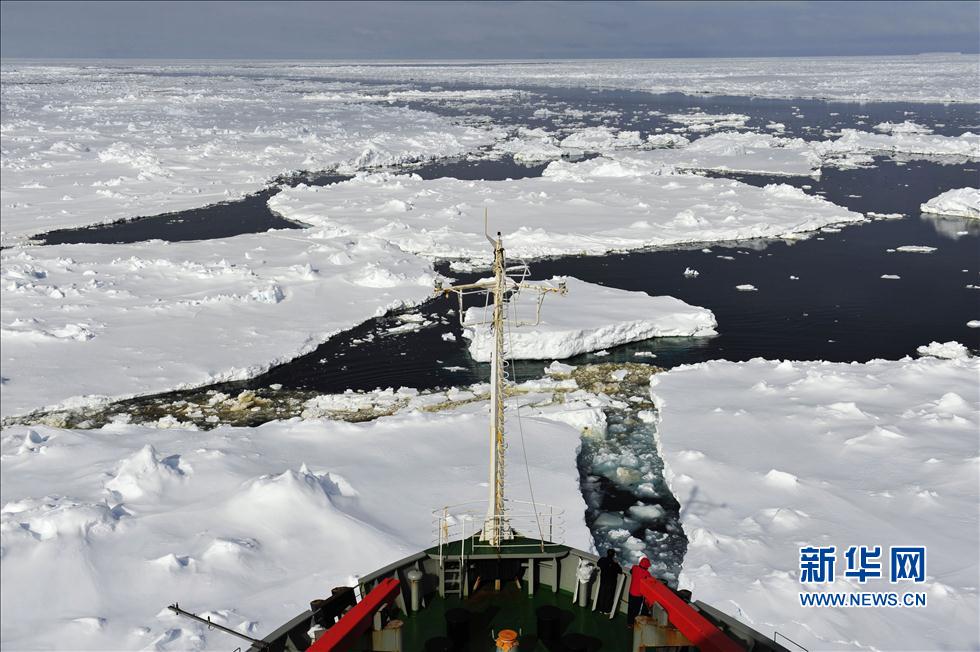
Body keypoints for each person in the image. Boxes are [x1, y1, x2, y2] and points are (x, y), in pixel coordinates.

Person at [627, 557, 652, 626]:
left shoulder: (634, 568)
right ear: (647, 566)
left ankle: (629, 623)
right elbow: (650, 583)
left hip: (631, 592)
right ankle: (633, 624)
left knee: (630, 608)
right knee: (636, 610)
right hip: (638, 595)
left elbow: (631, 571)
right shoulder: (647, 574)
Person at [596, 549, 622, 614]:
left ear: (607, 553)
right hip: (611, 583)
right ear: (613, 555)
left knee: (602, 594)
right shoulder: (615, 564)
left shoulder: (602, 560)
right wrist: (616, 563)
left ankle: (600, 609)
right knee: (609, 596)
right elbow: (620, 571)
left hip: (603, 581)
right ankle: (606, 610)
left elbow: (598, 564)